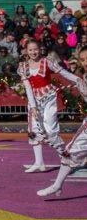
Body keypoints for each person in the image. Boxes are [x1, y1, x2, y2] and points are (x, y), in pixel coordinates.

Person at [17, 39, 82, 173]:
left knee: (51, 130)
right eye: (30, 50)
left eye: (35, 49)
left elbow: (62, 72)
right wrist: (33, 107)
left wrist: (77, 79)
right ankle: (39, 162)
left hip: (48, 98)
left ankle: (67, 161)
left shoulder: (47, 62)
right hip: (34, 100)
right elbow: (28, 87)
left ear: (40, 49)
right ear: (26, 51)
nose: (33, 52)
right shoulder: (23, 67)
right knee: (34, 129)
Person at [37, 46, 87, 196]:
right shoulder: (82, 77)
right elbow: (70, 76)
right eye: (83, 59)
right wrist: (56, 67)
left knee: (70, 151)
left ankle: (58, 185)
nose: (85, 62)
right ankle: (57, 185)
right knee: (70, 152)